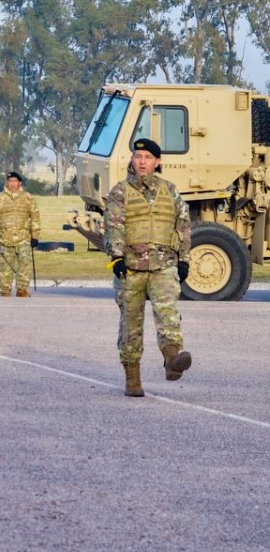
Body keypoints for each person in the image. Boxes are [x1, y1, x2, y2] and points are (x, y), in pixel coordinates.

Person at [103, 138, 192, 397]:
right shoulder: (121, 192)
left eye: (148, 157)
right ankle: (132, 378)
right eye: (138, 156)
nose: (142, 161)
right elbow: (113, 226)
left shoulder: (170, 191)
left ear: (157, 162)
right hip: (130, 267)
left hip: (164, 265)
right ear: (132, 160)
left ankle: (172, 359)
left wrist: (184, 260)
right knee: (130, 324)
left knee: (168, 314)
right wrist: (117, 258)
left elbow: (183, 226)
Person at [0, 171, 41, 297]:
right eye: (10, 181)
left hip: (23, 238)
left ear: (20, 183)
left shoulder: (28, 198)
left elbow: (35, 217)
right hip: (4, 239)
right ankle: (5, 290)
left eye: (15, 181)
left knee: (25, 264)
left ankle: (22, 289)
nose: (13, 184)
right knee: (4, 267)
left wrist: (35, 236)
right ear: (7, 183)